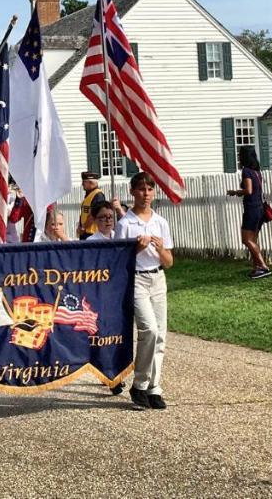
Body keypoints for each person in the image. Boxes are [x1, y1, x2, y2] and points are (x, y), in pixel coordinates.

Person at [113, 171, 174, 410]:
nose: (145, 194)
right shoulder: (125, 224)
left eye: (149, 189)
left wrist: (159, 250)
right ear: (132, 192)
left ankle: (154, 387)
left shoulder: (161, 222)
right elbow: (118, 262)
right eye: (141, 189)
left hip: (157, 278)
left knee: (160, 334)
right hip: (136, 279)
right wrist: (136, 250)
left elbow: (169, 262)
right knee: (148, 329)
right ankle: (139, 383)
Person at [227, 146, 271, 279]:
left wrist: (235, 192)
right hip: (260, 208)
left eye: (240, 155)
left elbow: (249, 190)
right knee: (253, 240)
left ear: (244, 157)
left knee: (246, 240)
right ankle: (256, 267)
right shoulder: (256, 172)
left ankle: (263, 266)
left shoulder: (246, 171)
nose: (239, 157)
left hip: (251, 209)